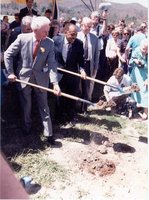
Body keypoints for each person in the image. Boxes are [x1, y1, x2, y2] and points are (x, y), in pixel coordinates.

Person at [4, 16, 61, 145]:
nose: (47, 34)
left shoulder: (49, 42)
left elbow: (52, 64)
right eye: (44, 31)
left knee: (44, 106)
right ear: (35, 30)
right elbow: (8, 54)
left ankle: (48, 134)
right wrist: (11, 73)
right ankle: (27, 127)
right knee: (26, 105)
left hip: (41, 79)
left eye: (48, 31)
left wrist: (55, 84)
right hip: (24, 78)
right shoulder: (22, 38)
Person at [53, 23, 86, 122]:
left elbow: (81, 60)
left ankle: (70, 116)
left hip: (72, 74)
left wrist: (82, 70)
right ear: (66, 32)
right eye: (72, 34)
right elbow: (51, 56)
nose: (74, 37)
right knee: (59, 97)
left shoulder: (79, 43)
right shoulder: (55, 40)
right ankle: (58, 117)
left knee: (71, 96)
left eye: (75, 34)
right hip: (59, 74)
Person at [77, 17, 99, 113]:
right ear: (81, 25)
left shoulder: (94, 38)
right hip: (77, 64)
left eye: (90, 26)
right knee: (76, 86)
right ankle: (75, 107)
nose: (88, 28)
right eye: (86, 26)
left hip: (88, 64)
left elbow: (96, 55)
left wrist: (95, 67)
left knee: (86, 87)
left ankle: (84, 108)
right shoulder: (76, 36)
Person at [129, 39, 148, 120]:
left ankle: (145, 112)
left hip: (146, 74)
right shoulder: (136, 50)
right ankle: (131, 110)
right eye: (143, 49)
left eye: (147, 49)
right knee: (134, 91)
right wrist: (135, 61)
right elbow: (130, 61)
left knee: (146, 91)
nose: (145, 51)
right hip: (136, 74)